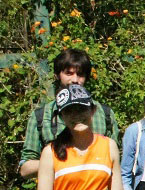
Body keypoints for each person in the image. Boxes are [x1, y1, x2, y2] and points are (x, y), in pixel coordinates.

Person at [20, 48, 119, 178]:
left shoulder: (105, 114)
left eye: (80, 74)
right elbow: (25, 169)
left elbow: (113, 161)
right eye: (69, 73)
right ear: (57, 75)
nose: (75, 80)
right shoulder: (41, 116)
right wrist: (62, 161)